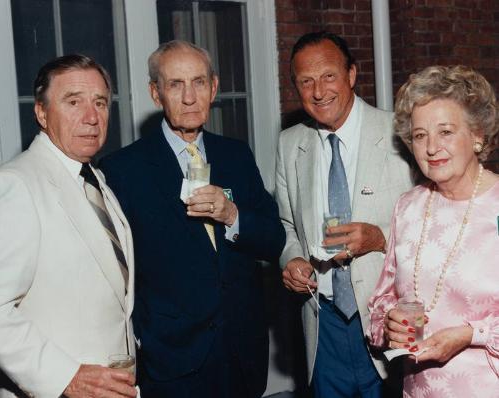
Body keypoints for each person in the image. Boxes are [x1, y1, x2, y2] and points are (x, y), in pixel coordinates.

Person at [99, 40, 285, 398]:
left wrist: (232, 215)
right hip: (172, 358)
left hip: (241, 350)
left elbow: (274, 238)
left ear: (214, 88)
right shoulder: (124, 170)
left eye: (199, 83)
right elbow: (114, 274)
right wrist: (141, 339)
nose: (189, 97)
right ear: (156, 94)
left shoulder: (236, 155)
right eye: (175, 85)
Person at [275, 31, 413, 397]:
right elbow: (287, 225)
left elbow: (431, 225)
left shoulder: (401, 134)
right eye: (306, 81)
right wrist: (292, 259)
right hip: (323, 325)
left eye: (329, 76)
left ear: (351, 75)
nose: (319, 92)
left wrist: (381, 238)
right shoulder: (290, 144)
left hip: (388, 319)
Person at [0, 55, 136, 398]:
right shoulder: (18, 184)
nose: (92, 117)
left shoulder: (95, 180)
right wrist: (64, 377)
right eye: (73, 101)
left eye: (100, 102)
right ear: (42, 113)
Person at [368, 65, 499, 397]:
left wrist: (471, 335)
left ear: (478, 135)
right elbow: (383, 297)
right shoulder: (409, 206)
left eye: (446, 132)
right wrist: (389, 321)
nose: (430, 148)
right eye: (420, 135)